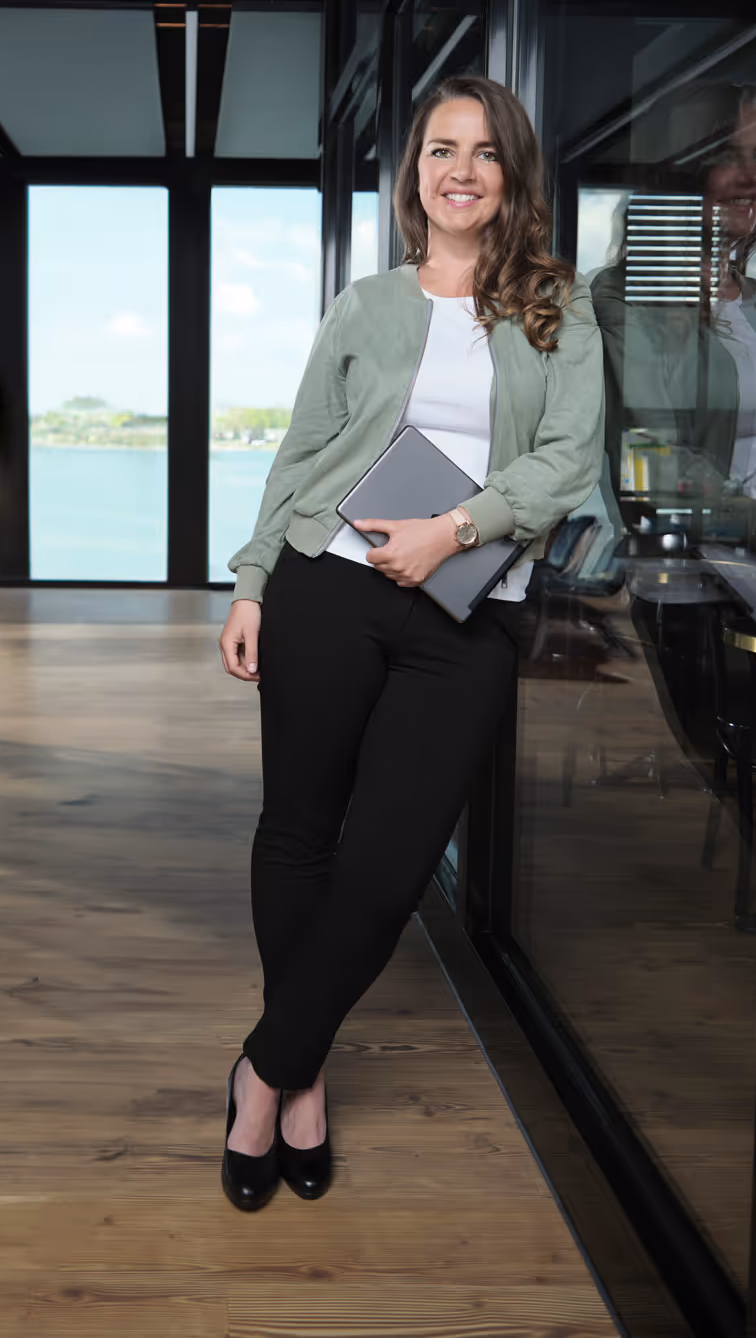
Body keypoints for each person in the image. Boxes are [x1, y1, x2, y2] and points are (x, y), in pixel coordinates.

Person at [216, 74, 605, 1211]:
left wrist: (453, 527)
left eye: (484, 152)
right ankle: (297, 1089)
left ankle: (263, 1060)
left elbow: (568, 460)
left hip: (464, 609)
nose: (460, 170)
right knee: (298, 830)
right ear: (414, 174)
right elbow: (299, 453)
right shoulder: (364, 305)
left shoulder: (555, 308)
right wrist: (249, 581)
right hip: (321, 589)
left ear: (510, 177)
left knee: (386, 867)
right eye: (440, 149)